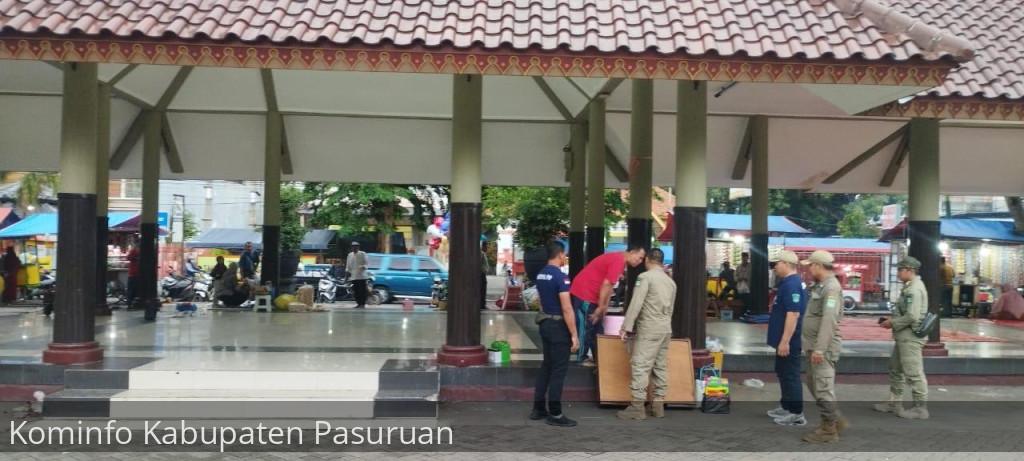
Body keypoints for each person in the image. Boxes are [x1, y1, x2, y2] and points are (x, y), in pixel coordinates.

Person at [616, 248, 677, 421]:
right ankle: (658, 406)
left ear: (648, 260)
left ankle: (637, 407)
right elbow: (671, 309)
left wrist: (626, 326)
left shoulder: (645, 278)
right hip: (665, 328)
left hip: (649, 328)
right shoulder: (670, 282)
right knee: (660, 366)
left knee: (640, 365)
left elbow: (636, 303)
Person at [799, 250, 848, 443]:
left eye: (810, 265)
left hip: (823, 348)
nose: (809, 268)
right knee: (815, 386)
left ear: (818, 266)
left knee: (823, 388)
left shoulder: (831, 288)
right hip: (814, 346)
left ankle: (830, 430)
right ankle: (835, 421)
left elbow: (829, 320)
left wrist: (819, 348)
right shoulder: (821, 286)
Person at [569, 245, 646, 367]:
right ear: (632, 252)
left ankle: (598, 357)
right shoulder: (618, 261)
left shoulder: (619, 261)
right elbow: (606, 285)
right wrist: (601, 306)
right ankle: (582, 358)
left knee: (598, 330)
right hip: (585, 294)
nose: (640, 261)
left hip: (591, 295)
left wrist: (604, 306)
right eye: (640, 257)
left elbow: (609, 287)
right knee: (586, 326)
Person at [530, 241, 580, 427]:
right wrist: (574, 334)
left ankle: (538, 408)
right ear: (560, 255)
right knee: (558, 370)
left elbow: (541, 302)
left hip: (545, 323)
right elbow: (567, 308)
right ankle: (556, 413)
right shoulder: (561, 277)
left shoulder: (541, 274)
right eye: (564, 254)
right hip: (559, 326)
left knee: (547, 366)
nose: (565, 257)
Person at [875, 256, 929, 419]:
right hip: (904, 336)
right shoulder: (910, 287)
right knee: (895, 368)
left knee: (914, 372)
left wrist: (892, 323)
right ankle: (894, 402)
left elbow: (911, 316)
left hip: (910, 337)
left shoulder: (913, 289)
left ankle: (920, 408)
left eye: (900, 269)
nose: (898, 273)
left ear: (910, 271)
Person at [766, 250, 808, 426]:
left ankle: (796, 413)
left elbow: (793, 314)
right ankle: (786, 406)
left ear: (785, 263)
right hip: (785, 339)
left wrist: (785, 341)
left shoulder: (792, 284)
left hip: (790, 341)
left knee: (790, 374)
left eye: (776, 263)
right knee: (783, 372)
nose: (774, 267)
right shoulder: (787, 283)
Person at [346, 242, 369, 308]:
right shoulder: (350, 255)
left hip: (361, 276)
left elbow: (366, 264)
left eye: (356, 246)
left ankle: (362, 304)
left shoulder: (362, 254)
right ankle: (358, 303)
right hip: (353, 276)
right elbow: (348, 267)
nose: (354, 248)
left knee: (362, 291)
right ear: (351, 248)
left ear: (358, 247)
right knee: (356, 291)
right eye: (353, 246)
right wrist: (347, 276)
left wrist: (363, 266)